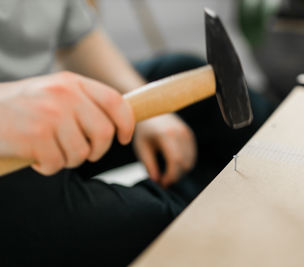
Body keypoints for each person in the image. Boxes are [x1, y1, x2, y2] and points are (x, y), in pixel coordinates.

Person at [0, 1, 274, 266]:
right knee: (149, 219)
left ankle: (278, 176)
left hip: (46, 116)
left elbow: (76, 35)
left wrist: (149, 112)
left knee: (186, 76)